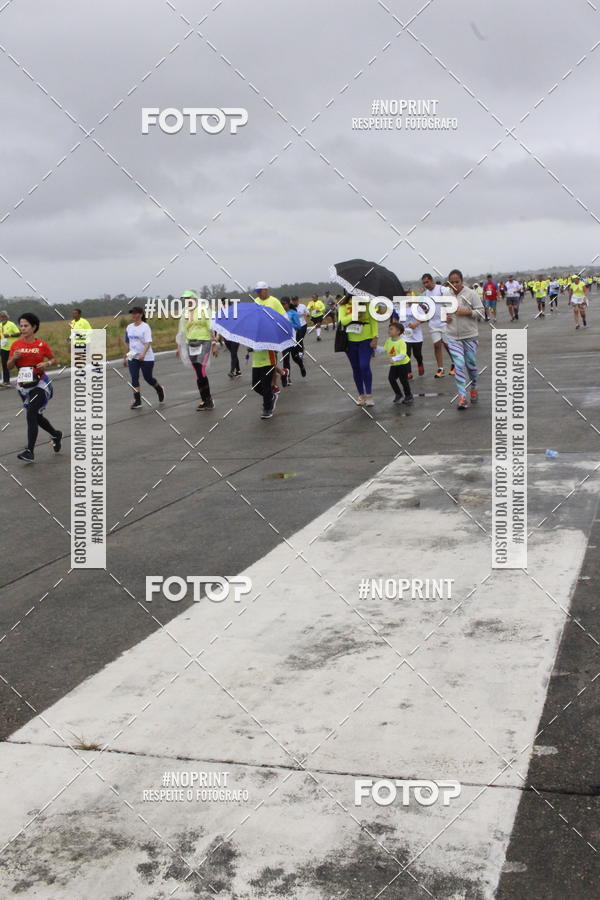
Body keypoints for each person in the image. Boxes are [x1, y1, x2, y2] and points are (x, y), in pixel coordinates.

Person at [8, 313, 62, 463]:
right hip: (23, 386)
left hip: (40, 385)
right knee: (36, 416)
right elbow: (9, 366)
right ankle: (55, 434)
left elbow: (53, 359)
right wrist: (14, 358)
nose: (23, 328)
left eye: (26, 325)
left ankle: (29, 451)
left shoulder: (41, 345)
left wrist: (46, 364)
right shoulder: (16, 345)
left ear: (34, 327)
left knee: (31, 413)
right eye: (21, 325)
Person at [445, 269, 484, 410]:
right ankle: (462, 396)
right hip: (452, 337)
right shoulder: (446, 295)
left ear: (462, 281)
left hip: (470, 336)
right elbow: (441, 312)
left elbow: (481, 312)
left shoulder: (471, 294)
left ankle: (473, 387)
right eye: (452, 282)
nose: (454, 285)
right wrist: (445, 317)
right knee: (459, 365)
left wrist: (466, 312)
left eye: (457, 282)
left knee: (471, 366)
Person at [176, 290, 219, 410]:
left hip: (204, 341)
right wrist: (179, 346)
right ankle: (204, 400)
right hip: (191, 343)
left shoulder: (203, 310)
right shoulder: (185, 313)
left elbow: (211, 327)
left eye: (189, 298)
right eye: (185, 299)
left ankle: (208, 399)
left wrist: (214, 344)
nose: (187, 301)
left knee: (201, 370)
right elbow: (182, 331)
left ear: (195, 299)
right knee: (197, 371)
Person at [252, 282, 287, 419]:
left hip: (270, 346)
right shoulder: (256, 302)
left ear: (266, 290)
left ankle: (267, 408)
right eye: (257, 291)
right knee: (255, 385)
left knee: (266, 382)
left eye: (260, 290)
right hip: (257, 347)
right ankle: (270, 397)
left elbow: (284, 318)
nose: (258, 293)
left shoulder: (274, 302)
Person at [338, 292, 378, 405]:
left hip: (366, 339)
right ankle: (361, 394)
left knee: (364, 366)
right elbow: (342, 321)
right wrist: (354, 314)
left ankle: (369, 395)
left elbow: (373, 320)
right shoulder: (343, 304)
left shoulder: (368, 302)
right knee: (356, 368)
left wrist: (375, 337)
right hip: (350, 341)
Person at [124, 306, 165, 409]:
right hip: (133, 356)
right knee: (134, 378)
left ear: (141, 314)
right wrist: (125, 356)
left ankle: (159, 389)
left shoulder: (145, 327)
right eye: (132, 313)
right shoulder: (129, 327)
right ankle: (137, 401)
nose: (133, 315)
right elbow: (127, 342)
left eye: (135, 313)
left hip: (146, 357)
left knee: (148, 378)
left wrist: (143, 353)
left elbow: (148, 342)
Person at [421, 273, 455, 377]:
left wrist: (450, 315)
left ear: (432, 281)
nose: (426, 284)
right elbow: (425, 307)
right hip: (433, 323)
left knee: (447, 346)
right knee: (436, 346)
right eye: (424, 283)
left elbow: (452, 301)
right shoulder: (425, 294)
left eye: (427, 282)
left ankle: (455, 364)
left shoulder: (442, 289)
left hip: (444, 323)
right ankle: (441, 369)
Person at [383, 321, 413, 404]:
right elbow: (384, 349)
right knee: (391, 378)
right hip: (394, 364)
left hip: (403, 364)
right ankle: (398, 394)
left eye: (391, 329)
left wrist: (394, 358)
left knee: (403, 380)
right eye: (389, 329)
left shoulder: (401, 342)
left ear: (398, 331)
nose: (389, 330)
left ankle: (409, 396)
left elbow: (403, 354)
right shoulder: (389, 340)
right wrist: (375, 348)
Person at [281, 298, 306, 383]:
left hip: (293, 339)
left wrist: (289, 324)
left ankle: (301, 366)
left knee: (295, 358)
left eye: (284, 304)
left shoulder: (293, 313)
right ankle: (287, 378)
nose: (283, 305)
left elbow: (298, 326)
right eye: (282, 304)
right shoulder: (281, 313)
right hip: (284, 340)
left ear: (288, 304)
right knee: (285, 359)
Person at [0, 311, 20, 386]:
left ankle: (24, 379)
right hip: (4, 348)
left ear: (6, 317)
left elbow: (18, 333)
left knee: (18, 363)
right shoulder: (0, 325)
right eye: (1, 317)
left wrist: (9, 335)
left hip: (13, 347)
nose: (2, 318)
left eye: (3, 316)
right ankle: (6, 381)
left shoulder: (11, 324)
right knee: (5, 364)